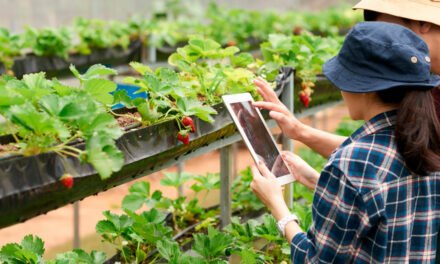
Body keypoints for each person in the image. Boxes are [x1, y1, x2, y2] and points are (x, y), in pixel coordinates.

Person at [251, 22, 440, 263]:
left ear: (364, 88)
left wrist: (277, 205)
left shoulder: (353, 163)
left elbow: (315, 260)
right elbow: (381, 206)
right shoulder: (427, 142)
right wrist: (314, 179)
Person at [255, 0, 440, 160]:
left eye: (382, 22)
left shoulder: (421, 88)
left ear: (422, 22)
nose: (377, 29)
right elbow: (389, 156)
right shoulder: (421, 84)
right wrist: (300, 132)